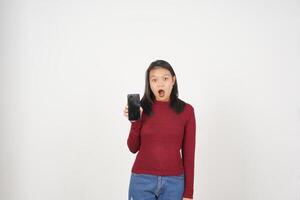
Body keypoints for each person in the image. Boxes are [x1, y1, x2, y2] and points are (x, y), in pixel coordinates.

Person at [123, 60, 196, 200]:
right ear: (149, 84)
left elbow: (189, 155)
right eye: (154, 79)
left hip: (174, 183)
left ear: (173, 80)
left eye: (165, 78)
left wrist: (189, 193)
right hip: (141, 181)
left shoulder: (187, 111)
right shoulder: (141, 108)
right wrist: (135, 121)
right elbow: (132, 147)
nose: (160, 83)